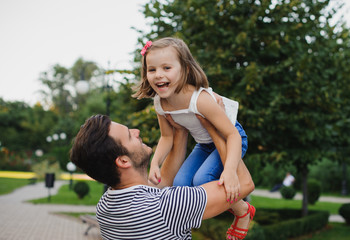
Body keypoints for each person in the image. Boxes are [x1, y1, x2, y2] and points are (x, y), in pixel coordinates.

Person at [132, 37, 253, 239]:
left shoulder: (200, 99)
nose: (158, 75)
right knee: (179, 185)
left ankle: (243, 211)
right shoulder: (160, 103)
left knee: (201, 180)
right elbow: (166, 137)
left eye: (166, 68)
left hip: (231, 138)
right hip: (205, 144)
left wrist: (230, 170)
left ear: (186, 69)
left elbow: (232, 135)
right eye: (151, 70)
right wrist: (155, 163)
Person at [70, 114, 255, 240]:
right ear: (123, 161)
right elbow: (244, 184)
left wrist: (180, 131)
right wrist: (217, 128)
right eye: (129, 135)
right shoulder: (166, 207)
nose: (136, 132)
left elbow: (163, 181)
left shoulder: (106, 208)